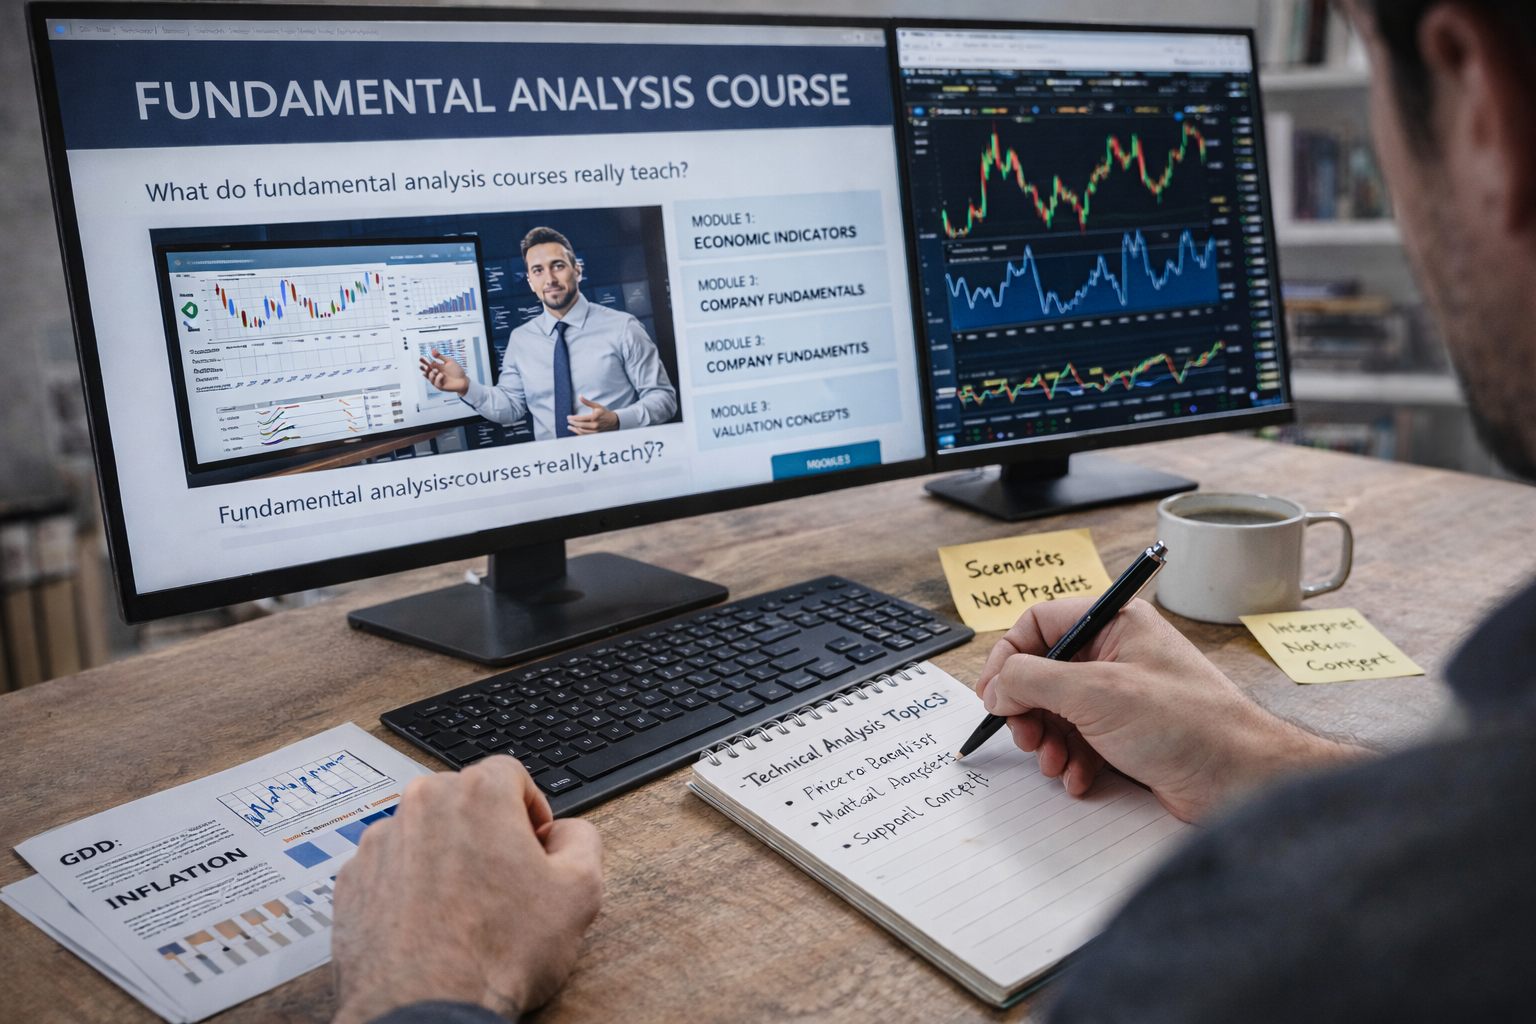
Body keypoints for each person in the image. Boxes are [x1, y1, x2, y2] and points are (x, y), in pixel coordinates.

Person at [334, 1, 1536, 1020]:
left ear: (1477, 99)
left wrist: (424, 988)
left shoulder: (1252, 965)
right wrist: (1257, 758)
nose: (549, 277)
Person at [421, 226, 677, 440]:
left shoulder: (623, 327)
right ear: (530, 282)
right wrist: (466, 387)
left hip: (619, 464)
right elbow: (511, 408)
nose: (550, 279)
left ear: (577, 270)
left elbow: (664, 399)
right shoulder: (521, 339)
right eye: (538, 270)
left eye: (558, 266)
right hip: (555, 470)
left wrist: (617, 420)